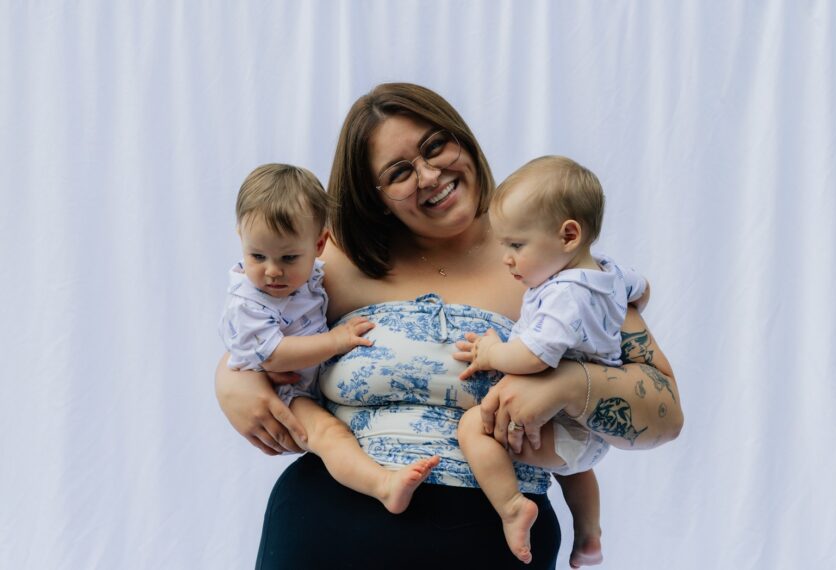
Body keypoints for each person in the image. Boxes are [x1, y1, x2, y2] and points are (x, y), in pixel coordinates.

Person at [214, 83, 683, 570]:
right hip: (322, 534)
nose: (429, 174)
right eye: (398, 172)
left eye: (436, 145)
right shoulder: (329, 265)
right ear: (374, 198)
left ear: (463, 137)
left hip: (495, 547)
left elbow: (666, 414)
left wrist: (567, 384)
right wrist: (230, 380)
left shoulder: (560, 267)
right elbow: (253, 333)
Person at [454, 155, 651, 565]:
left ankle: (511, 507)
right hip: (587, 427)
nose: (506, 258)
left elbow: (534, 357)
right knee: (576, 472)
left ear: (568, 236)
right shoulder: (608, 272)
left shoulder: (565, 295)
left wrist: (491, 352)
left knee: (474, 427)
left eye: (516, 245)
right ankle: (589, 535)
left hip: (564, 426)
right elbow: (642, 290)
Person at [219, 163, 441, 514]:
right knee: (330, 435)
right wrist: (337, 342)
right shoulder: (248, 300)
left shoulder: (313, 276)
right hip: (285, 392)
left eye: (289, 257)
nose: (272, 271)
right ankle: (384, 486)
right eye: (257, 256)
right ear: (240, 239)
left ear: (320, 244)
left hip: (312, 384)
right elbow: (274, 356)